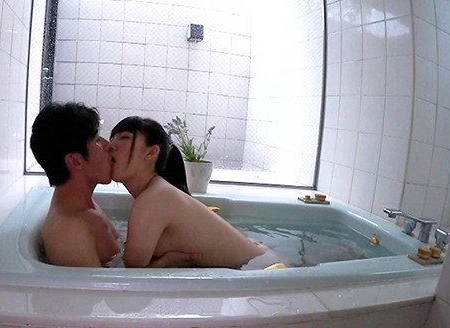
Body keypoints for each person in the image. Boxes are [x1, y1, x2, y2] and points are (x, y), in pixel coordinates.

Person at [29, 103, 199, 268]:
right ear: (76, 161)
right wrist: (164, 263)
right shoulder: (69, 233)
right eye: (97, 140)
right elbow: (106, 287)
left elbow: (123, 257)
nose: (108, 146)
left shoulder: (85, 206)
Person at [109, 116, 280, 269]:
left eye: (124, 138)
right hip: (256, 263)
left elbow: (129, 274)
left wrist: (165, 262)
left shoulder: (152, 200)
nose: (111, 146)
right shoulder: (158, 193)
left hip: (260, 271)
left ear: (151, 152)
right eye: (112, 138)